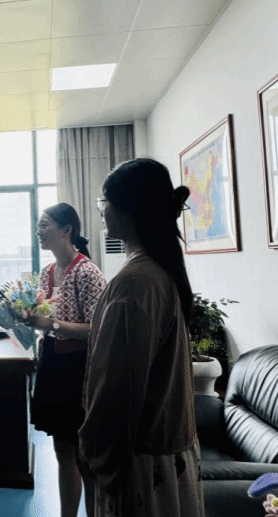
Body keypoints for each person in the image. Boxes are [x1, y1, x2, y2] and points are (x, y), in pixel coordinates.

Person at [78, 158, 204, 517]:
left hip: (139, 466)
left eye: (104, 202)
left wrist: (94, 457)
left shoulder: (134, 284)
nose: (102, 212)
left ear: (126, 209)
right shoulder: (158, 271)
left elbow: (116, 391)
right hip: (165, 455)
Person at [23, 202, 106, 517]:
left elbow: (98, 329)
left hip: (80, 369)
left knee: (85, 455)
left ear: (67, 229)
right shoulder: (47, 272)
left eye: (45, 225)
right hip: (52, 364)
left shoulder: (87, 271)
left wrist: (51, 324)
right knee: (63, 451)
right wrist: (28, 317)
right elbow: (45, 320)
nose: (39, 231)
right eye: (38, 225)